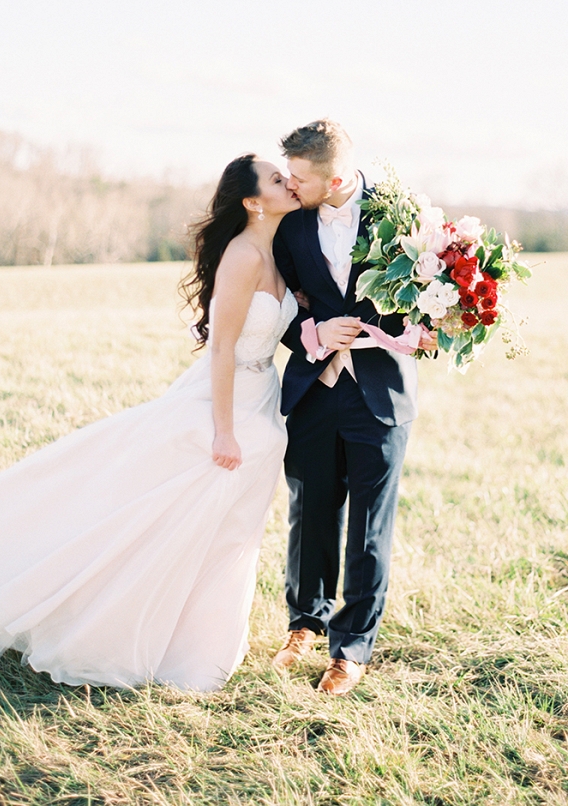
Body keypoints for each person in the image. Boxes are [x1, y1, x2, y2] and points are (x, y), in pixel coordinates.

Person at [0, 154, 300, 691]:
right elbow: (220, 349)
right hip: (227, 400)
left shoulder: (282, 250)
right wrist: (222, 430)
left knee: (232, 529)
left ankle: (203, 648)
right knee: (169, 514)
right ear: (252, 201)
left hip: (265, 397)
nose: (290, 184)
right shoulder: (242, 255)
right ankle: (131, 635)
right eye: (278, 180)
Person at [272, 120, 436, 695]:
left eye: (297, 177)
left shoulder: (402, 216)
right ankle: (304, 622)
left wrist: (439, 327)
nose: (288, 185)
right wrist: (314, 333)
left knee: (370, 523)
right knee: (310, 509)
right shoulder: (288, 225)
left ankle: (352, 647)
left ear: (335, 177)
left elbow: (432, 288)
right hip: (314, 388)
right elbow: (277, 306)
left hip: (380, 392)